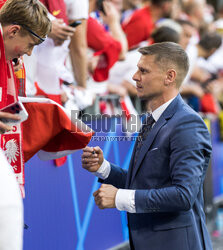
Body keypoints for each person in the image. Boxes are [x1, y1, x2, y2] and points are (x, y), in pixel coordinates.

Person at [82, 42, 213, 250]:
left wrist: (119, 198)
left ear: (169, 77)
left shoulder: (188, 123)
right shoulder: (152, 120)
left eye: (143, 71)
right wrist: (103, 168)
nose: (134, 76)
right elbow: (146, 183)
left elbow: (183, 195)